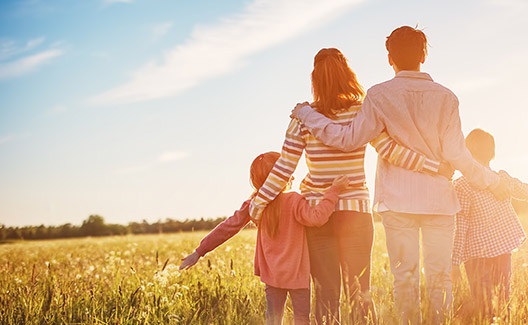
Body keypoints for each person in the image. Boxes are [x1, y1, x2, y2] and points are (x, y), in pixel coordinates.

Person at [290, 26, 510, 324]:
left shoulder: (378, 95)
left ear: (389, 57)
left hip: (398, 202)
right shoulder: (447, 97)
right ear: (423, 55)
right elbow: (458, 156)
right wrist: (492, 182)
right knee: (439, 277)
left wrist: (305, 113)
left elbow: (348, 140)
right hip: (439, 203)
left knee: (404, 278)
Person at [251, 48, 450, 324]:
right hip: (355, 213)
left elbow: (284, 166)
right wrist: (432, 166)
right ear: (347, 74)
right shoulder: (362, 113)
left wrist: (258, 203)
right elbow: (390, 150)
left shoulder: (303, 118)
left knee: (326, 294)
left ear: (315, 79)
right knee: (359, 293)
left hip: (316, 216)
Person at [179, 151, 349, 325]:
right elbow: (317, 218)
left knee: (273, 320)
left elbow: (227, 228)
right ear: (282, 175)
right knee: (302, 320)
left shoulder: (255, 204)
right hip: (297, 274)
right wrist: (333, 191)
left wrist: (199, 252)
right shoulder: (294, 200)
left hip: (271, 275)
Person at [450, 129, 528, 320]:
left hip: (478, 256)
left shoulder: (463, 185)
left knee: (484, 305)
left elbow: (460, 228)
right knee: (502, 303)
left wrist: (454, 263)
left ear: (467, 152)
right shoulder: (501, 180)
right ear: (492, 153)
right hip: (499, 251)